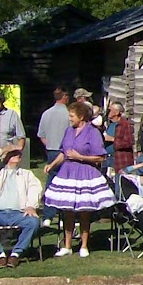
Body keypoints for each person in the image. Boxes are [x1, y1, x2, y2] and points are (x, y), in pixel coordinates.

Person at [44, 99, 114, 257]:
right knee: (67, 210)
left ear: (81, 116)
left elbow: (100, 157)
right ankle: (67, 245)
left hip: (85, 172)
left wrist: (80, 157)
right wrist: (52, 165)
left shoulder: (92, 132)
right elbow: (64, 152)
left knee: (83, 211)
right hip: (68, 172)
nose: (70, 119)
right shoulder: (68, 131)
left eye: (72, 116)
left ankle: (84, 245)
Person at [0, 144, 42, 266]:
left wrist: (31, 206)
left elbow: (35, 188)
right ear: (6, 157)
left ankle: (16, 254)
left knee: (33, 223)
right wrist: (5, 149)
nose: (17, 156)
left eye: (18, 154)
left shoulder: (26, 174)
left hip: (18, 214)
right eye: (13, 154)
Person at [36, 87, 72, 163]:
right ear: (64, 96)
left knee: (52, 172)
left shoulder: (46, 114)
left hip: (50, 150)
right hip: (66, 151)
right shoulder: (69, 114)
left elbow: (41, 135)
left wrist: (49, 144)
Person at [105, 101, 135, 177]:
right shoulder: (109, 124)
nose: (108, 112)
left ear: (117, 112)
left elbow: (129, 142)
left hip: (119, 159)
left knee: (119, 185)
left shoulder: (124, 125)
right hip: (107, 157)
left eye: (110, 110)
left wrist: (112, 139)